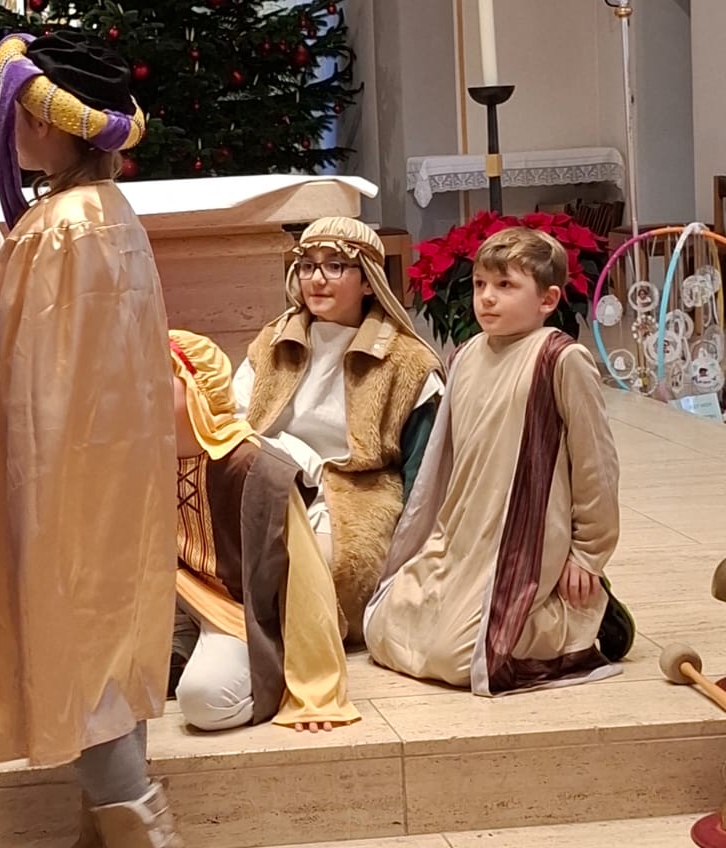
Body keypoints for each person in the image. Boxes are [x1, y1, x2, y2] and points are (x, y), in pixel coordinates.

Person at [0, 30, 205, 848]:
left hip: (70, 475)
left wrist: (26, 488)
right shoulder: (92, 210)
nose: (6, 124)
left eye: (16, 109)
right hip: (93, 468)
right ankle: (102, 846)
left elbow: (55, 379)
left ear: (53, 124)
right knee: (94, 641)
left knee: (80, 642)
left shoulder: (70, 225)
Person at [364, 227, 632, 693]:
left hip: (525, 539)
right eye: (480, 284)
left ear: (547, 299)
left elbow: (597, 466)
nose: (487, 298)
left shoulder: (560, 358)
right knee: (383, 626)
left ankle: (593, 617)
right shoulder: (466, 354)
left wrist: (588, 555)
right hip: (465, 533)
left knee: (464, 659)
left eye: (506, 285)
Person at [234, 217, 443, 643]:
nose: (317, 279)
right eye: (307, 265)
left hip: (354, 495)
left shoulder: (408, 362)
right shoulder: (272, 343)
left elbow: (424, 476)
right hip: (269, 482)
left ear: (368, 281)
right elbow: (234, 423)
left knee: (317, 582)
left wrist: (415, 558)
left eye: (334, 266)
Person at [169, 329, 360, 735]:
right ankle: (182, 650)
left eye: (159, 376)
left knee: (203, 700)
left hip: (242, 613)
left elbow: (304, 582)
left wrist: (314, 683)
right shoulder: (138, 463)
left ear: (198, 388)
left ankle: (266, 669)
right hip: (178, 605)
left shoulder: (256, 469)